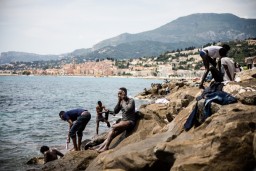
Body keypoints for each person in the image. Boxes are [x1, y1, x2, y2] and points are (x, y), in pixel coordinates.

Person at [96, 87, 136, 153]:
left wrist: (123, 98)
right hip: (123, 122)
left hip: (130, 122)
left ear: (124, 93)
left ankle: (106, 147)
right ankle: (100, 147)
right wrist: (119, 101)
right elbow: (115, 111)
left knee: (114, 127)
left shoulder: (131, 100)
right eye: (118, 94)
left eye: (120, 93)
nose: (118, 95)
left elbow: (127, 109)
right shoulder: (121, 101)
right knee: (113, 132)